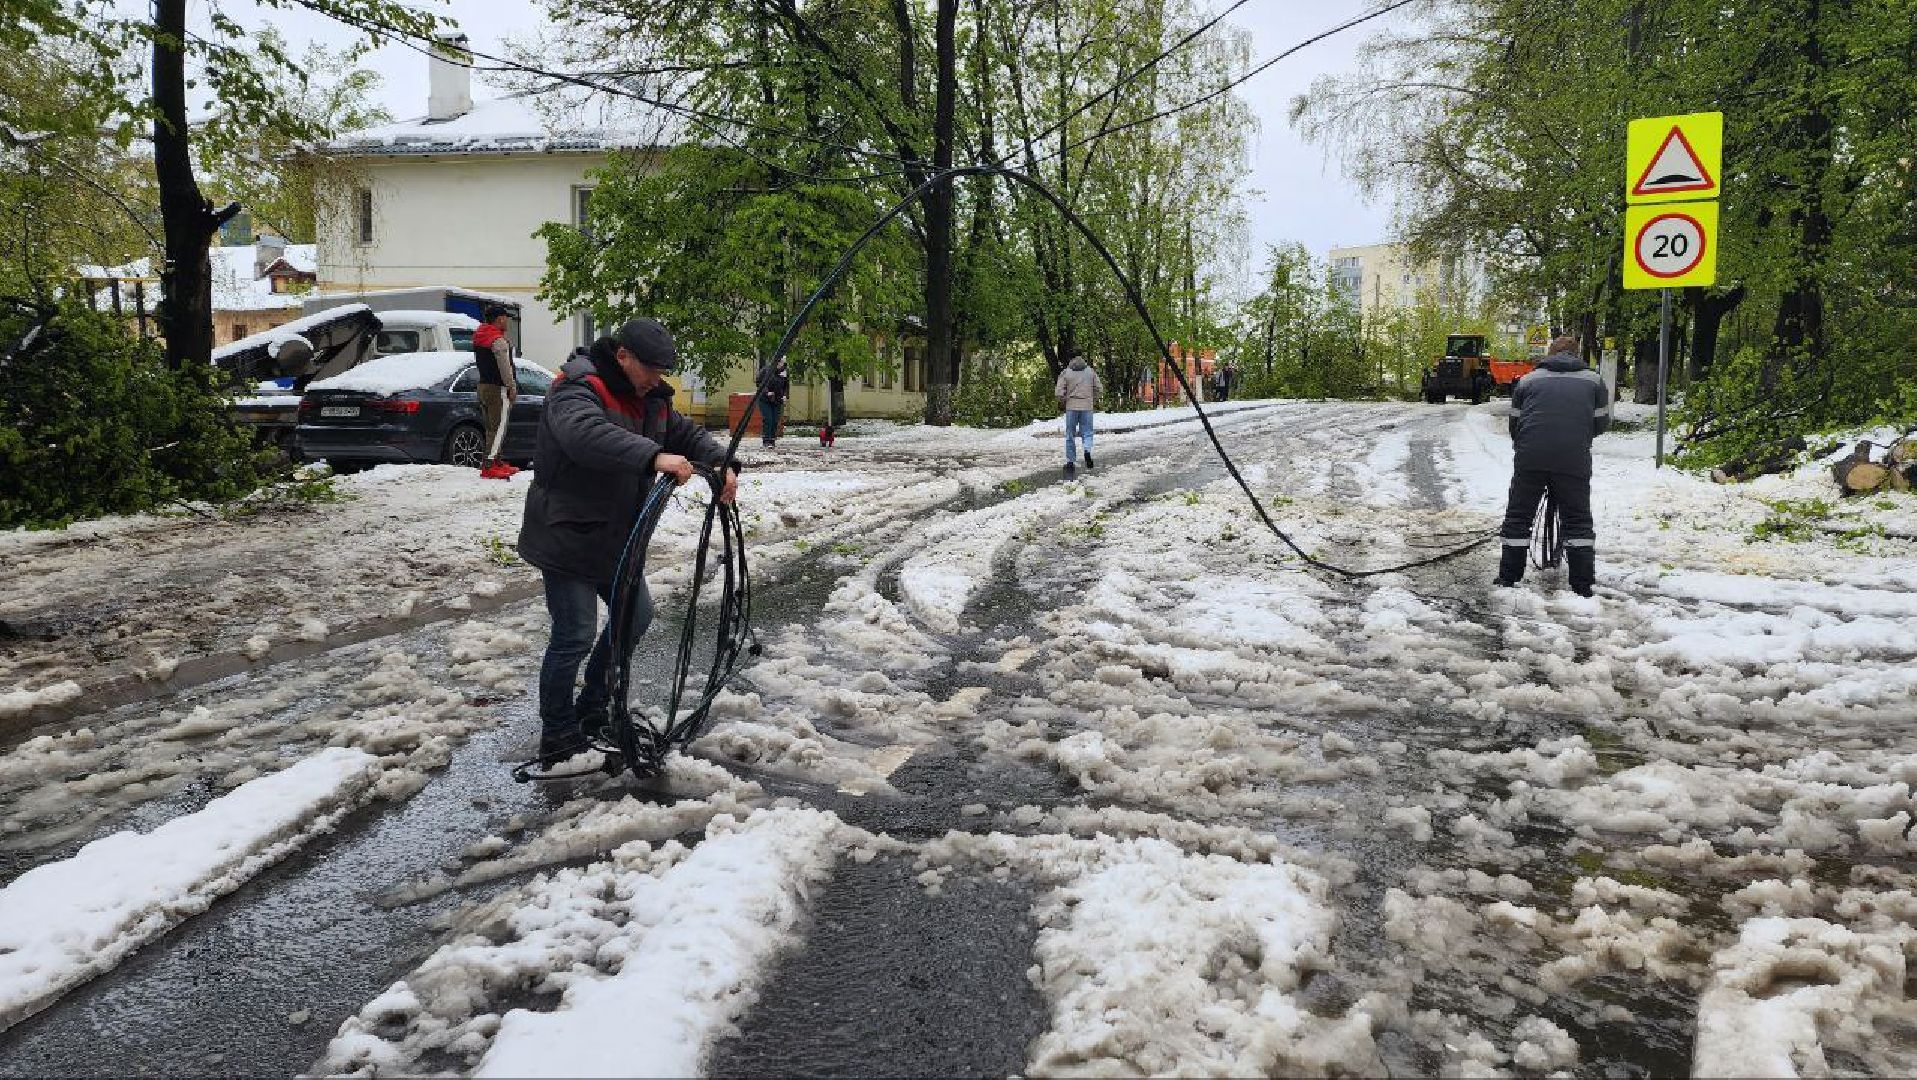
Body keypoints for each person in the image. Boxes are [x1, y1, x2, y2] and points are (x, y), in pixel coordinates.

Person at [517, 317, 738, 770]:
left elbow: (686, 434)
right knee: (574, 634)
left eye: (663, 371)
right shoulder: (575, 389)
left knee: (634, 618)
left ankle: (594, 706)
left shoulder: (651, 399)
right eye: (651, 369)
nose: (658, 379)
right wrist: (652, 456)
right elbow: (585, 437)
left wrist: (721, 462)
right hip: (567, 535)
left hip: (619, 540)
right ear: (622, 356)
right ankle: (558, 733)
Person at [1496, 334, 1610, 597]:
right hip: (1573, 460)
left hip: (1530, 458)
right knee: (1578, 520)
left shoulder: (1527, 380)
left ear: (1549, 353)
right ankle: (1582, 585)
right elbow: (1602, 423)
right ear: (1577, 353)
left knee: (1518, 517)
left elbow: (1515, 425)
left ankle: (1508, 578)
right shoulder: (1594, 380)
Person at [473, 304, 518, 474]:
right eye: (506, 319)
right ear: (500, 319)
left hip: (483, 386)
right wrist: (511, 386)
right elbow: (504, 366)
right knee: (499, 427)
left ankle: (496, 460)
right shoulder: (497, 339)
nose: (507, 322)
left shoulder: (479, 336)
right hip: (497, 388)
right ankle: (490, 465)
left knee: (490, 427)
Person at [1056, 353, 1099, 476]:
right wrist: (1091, 399)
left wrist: (1064, 399)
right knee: (1087, 432)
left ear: (1071, 359)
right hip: (1087, 407)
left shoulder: (1066, 373)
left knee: (1070, 434)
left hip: (1071, 407)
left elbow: (1058, 391)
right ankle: (1086, 450)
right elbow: (1099, 389)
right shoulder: (1090, 372)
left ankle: (1070, 461)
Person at [757, 359, 790, 449]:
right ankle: (766, 440)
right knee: (768, 419)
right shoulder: (766, 370)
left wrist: (785, 395)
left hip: (777, 399)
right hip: (765, 399)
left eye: (783, 363)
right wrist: (767, 392)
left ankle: (772, 440)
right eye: (780, 363)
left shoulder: (784, 372)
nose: (781, 365)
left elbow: (786, 385)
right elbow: (760, 383)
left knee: (775, 420)